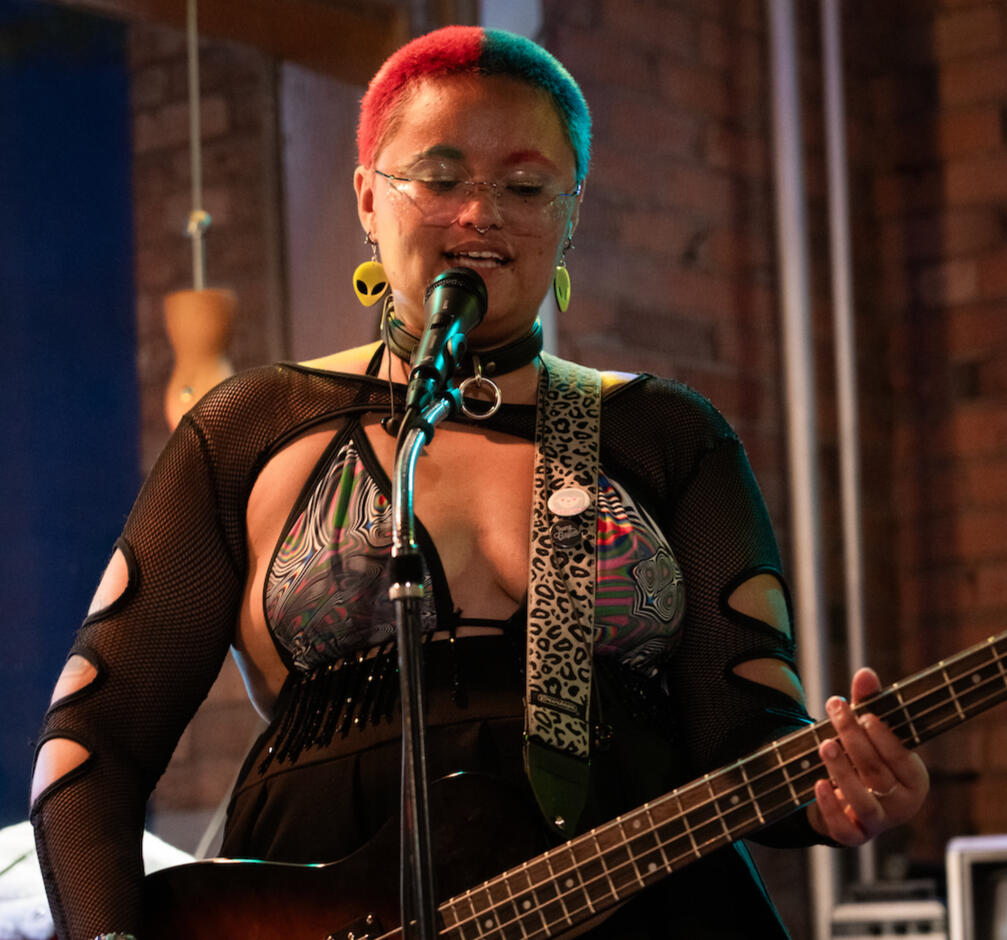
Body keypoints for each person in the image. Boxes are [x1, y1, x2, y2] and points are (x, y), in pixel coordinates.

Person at [30, 25, 929, 940]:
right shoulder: (251, 426)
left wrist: (840, 787)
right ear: (367, 198)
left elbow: (745, 729)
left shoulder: (667, 435)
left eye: (525, 188)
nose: (479, 215)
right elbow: (94, 743)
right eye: (439, 178)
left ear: (570, 216)